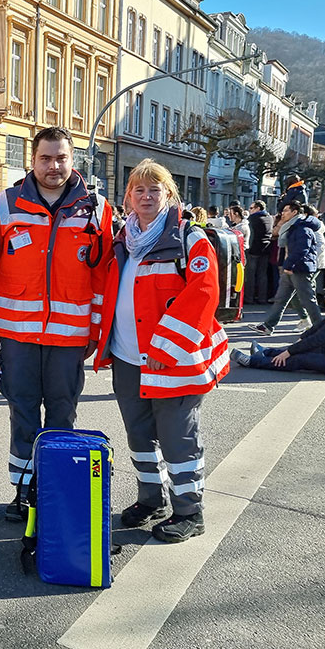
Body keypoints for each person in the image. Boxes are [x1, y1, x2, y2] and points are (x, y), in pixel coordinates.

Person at [94, 159, 229, 544]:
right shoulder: (124, 240)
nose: (146, 196)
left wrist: (165, 348)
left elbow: (203, 294)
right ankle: (150, 499)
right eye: (138, 189)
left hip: (174, 361)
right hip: (127, 358)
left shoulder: (188, 237)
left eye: (155, 189)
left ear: (169, 195)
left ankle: (189, 512)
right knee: (139, 437)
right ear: (128, 198)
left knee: (177, 439)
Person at [0, 126, 112, 521]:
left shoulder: (97, 209)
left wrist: (94, 331)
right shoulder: (3, 204)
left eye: (61, 158)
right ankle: (23, 494)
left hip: (70, 336)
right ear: (32, 160)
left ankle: (54, 492)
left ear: (73, 160)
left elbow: (102, 276)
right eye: (46, 158)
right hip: (17, 334)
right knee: (22, 414)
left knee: (62, 416)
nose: (53, 166)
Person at [233, 283, 325, 378]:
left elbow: (318, 339)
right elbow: (321, 325)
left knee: (300, 359)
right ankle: (265, 352)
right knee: (301, 349)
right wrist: (303, 337)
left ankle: (252, 361)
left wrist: (290, 351)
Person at [249, 202, 324, 335]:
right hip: (290, 268)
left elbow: (301, 250)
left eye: (286, 210)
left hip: (300, 269)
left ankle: (320, 328)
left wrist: (288, 265)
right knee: (281, 298)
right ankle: (268, 326)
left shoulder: (302, 228)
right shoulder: (291, 226)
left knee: (308, 300)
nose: (282, 213)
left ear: (294, 212)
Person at [245, 200, 274, 304]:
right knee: (262, 275)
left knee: (250, 275)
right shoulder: (269, 218)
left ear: (258, 208)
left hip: (254, 250)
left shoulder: (253, 219)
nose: (250, 210)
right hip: (266, 249)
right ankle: (262, 298)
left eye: (251, 208)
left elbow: (251, 235)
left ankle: (249, 298)